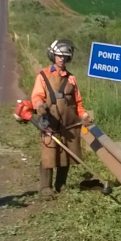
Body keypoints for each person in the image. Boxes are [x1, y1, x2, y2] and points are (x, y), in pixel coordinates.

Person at [31, 39, 91, 197]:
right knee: (48, 153)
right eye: (59, 55)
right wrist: (39, 106)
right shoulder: (43, 75)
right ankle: (45, 187)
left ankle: (61, 184)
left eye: (65, 56)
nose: (62, 59)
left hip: (69, 123)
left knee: (67, 153)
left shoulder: (72, 79)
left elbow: (78, 101)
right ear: (53, 56)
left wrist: (84, 115)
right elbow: (36, 96)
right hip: (50, 121)